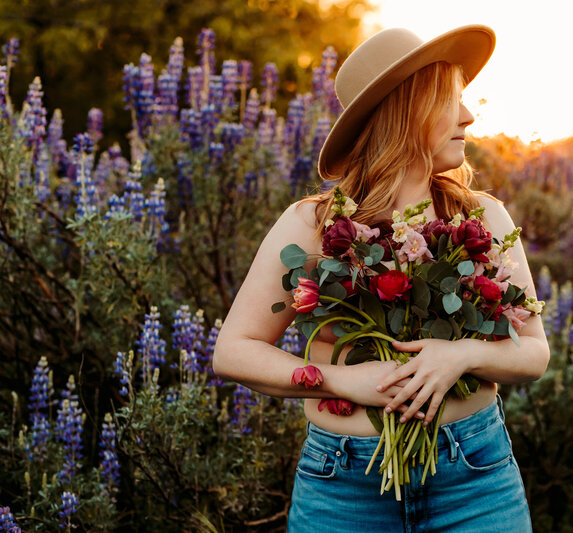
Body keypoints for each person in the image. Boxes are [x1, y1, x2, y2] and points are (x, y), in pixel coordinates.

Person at [213, 24, 549, 532]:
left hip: (475, 479)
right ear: (405, 110)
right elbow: (234, 350)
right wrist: (346, 380)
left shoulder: (482, 219)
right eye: (450, 100)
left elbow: (533, 352)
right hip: (344, 487)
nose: (468, 115)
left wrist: (462, 354)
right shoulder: (312, 225)